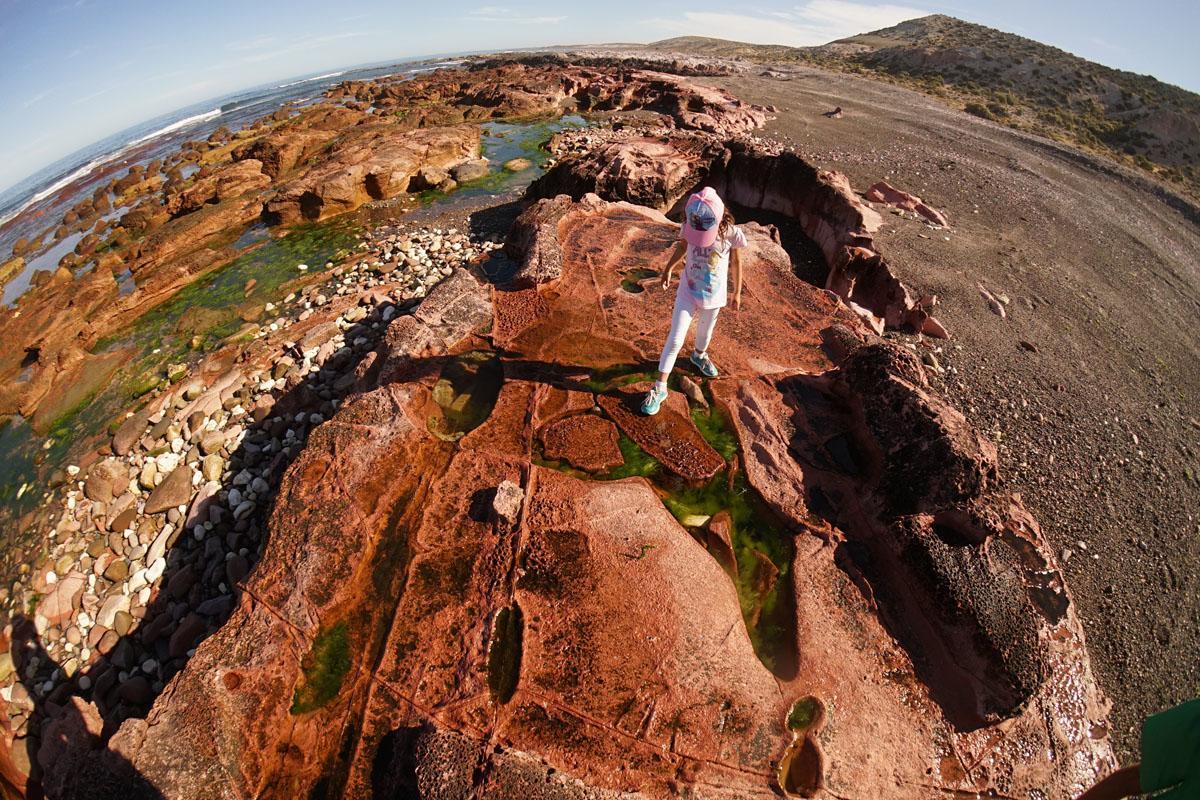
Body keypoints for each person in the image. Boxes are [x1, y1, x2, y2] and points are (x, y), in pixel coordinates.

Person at [642, 187, 746, 416]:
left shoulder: (731, 233)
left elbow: (736, 263)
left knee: (704, 335)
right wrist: (669, 268)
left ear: (720, 218)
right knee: (676, 337)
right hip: (687, 292)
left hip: (714, 296)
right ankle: (660, 387)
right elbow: (682, 246)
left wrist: (737, 292)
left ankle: (698, 356)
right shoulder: (690, 225)